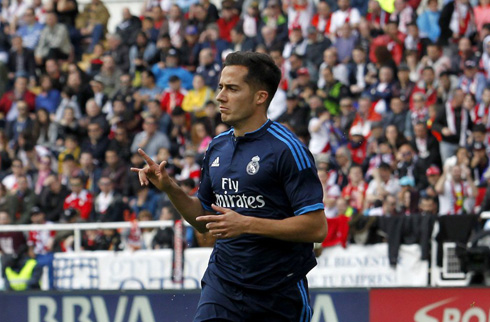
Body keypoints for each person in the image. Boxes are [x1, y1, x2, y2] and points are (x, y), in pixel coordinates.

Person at [131, 51, 326, 321]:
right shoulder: (217, 146)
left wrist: (247, 224)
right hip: (223, 284)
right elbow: (204, 222)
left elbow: (316, 227)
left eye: (232, 88)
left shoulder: (287, 149)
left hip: (278, 292)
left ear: (260, 97)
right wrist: (170, 188)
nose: (220, 96)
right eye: (221, 87)